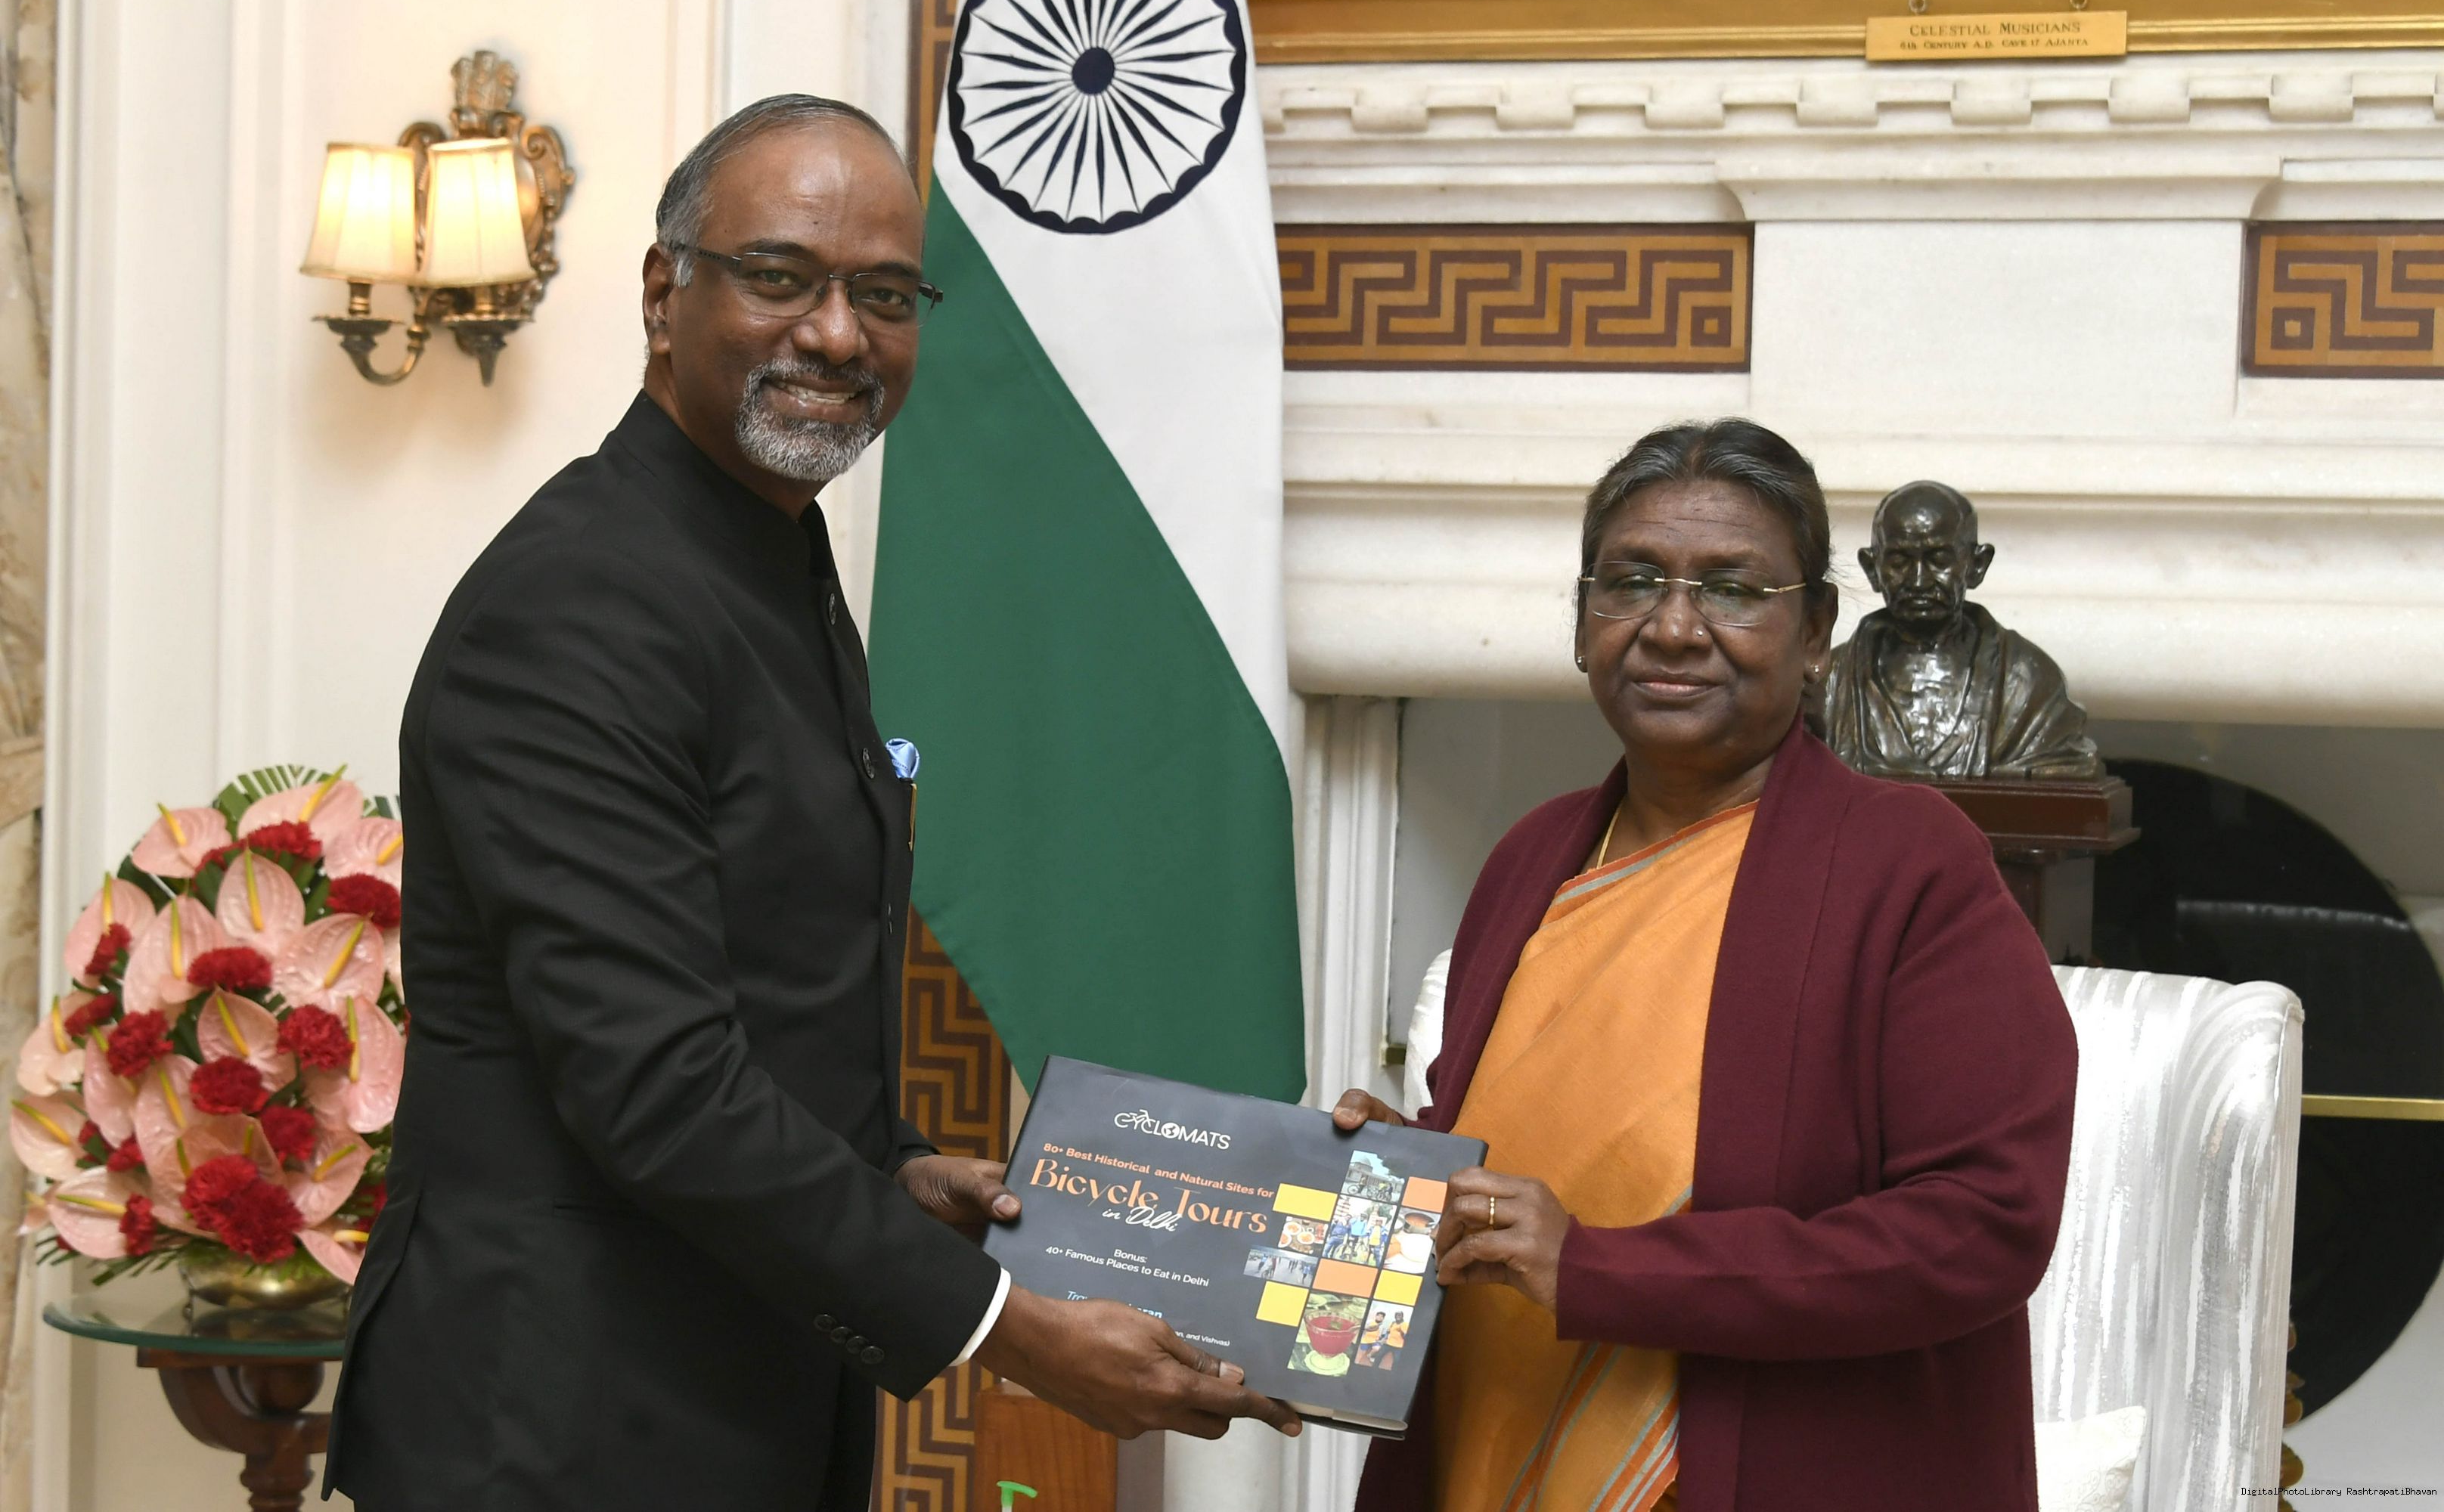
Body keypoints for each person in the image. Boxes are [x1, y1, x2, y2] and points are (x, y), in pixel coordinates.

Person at [324, 96, 1296, 1512]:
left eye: (885, 295)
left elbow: (765, 976)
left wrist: (895, 1166)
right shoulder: (579, 602)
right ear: (663, 295)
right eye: (780, 276)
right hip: (549, 1424)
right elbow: (660, 1085)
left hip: (729, 1393)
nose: (839, 335)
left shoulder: (768, 554)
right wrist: (1006, 1327)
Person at [1336, 420, 2076, 1512]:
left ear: (1816, 630)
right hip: (1492, 1441)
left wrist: (1598, 1269)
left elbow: (1982, 1224)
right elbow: (1540, 1146)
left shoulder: (1909, 864)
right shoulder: (1533, 855)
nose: (1673, 628)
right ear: (1582, 621)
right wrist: (1403, 1169)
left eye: (1732, 588)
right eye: (1631, 581)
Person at [1818, 479, 2100, 779]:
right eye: (1899, 562)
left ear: (1977, 565)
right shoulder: (1827, 682)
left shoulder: (2027, 681)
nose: (1918, 581)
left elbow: (2065, 768)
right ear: (1872, 568)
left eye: (1939, 560)